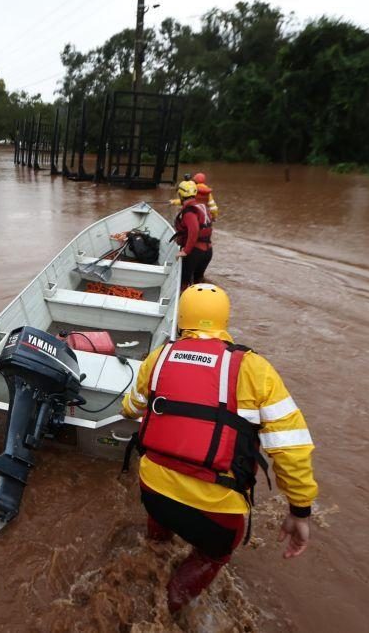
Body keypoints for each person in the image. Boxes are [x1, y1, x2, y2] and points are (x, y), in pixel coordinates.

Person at [121, 284, 317, 613]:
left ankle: (153, 554)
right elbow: (290, 447)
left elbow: (131, 407)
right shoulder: (255, 368)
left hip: (153, 489)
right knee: (212, 554)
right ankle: (167, 609)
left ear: (182, 318)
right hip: (216, 510)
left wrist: (127, 407)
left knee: (159, 528)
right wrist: (300, 511)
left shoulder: (160, 356)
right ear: (225, 318)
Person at [171, 180, 214, 288]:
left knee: (183, 285)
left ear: (180, 194)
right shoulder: (202, 206)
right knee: (198, 284)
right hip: (207, 251)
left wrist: (185, 251)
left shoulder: (189, 212)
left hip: (195, 252)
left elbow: (194, 231)